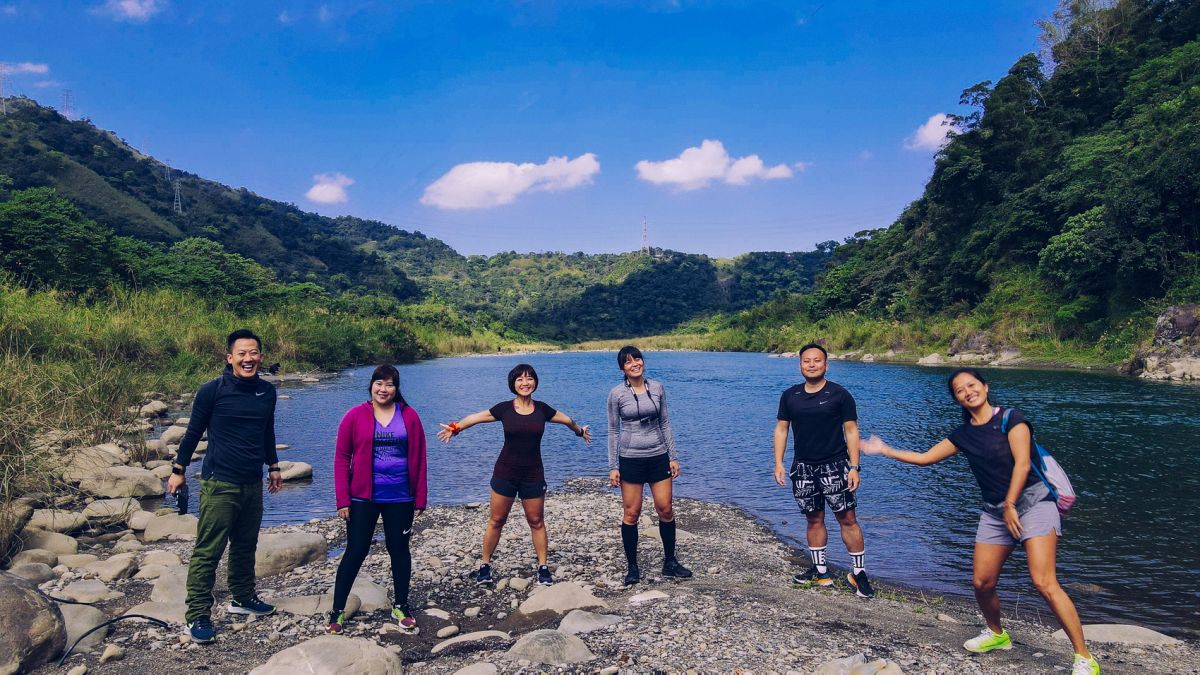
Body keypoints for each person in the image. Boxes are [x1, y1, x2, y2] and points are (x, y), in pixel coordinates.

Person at [862, 368, 1100, 675]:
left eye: (971, 385)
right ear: (957, 399)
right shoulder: (963, 435)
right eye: (960, 390)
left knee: (1044, 581)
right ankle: (997, 634)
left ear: (985, 387)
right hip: (995, 511)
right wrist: (884, 450)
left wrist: (1011, 504)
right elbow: (925, 458)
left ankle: (1084, 657)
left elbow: (1022, 464)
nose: (967, 392)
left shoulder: (1012, 419)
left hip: (1034, 503)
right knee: (982, 582)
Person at [167, 329, 282, 644]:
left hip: (252, 482)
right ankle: (197, 614)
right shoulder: (212, 391)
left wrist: (273, 466)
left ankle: (243, 597)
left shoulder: (266, 392)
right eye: (242, 353)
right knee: (209, 551)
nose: (248, 359)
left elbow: (267, 431)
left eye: (253, 353)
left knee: (245, 545)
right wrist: (178, 470)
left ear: (261, 357)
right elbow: (193, 432)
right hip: (219, 483)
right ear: (230, 357)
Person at [437, 363, 591, 586]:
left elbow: (568, 421)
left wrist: (580, 432)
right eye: (520, 379)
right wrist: (455, 427)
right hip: (505, 473)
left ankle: (543, 567)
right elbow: (476, 417)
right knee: (496, 520)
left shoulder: (543, 409)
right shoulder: (504, 409)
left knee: (536, 521)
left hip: (533, 474)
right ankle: (485, 566)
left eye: (529, 378)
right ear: (513, 384)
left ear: (535, 382)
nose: (525, 383)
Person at [327, 364, 428, 635]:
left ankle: (401, 606)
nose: (383, 389)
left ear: (396, 388)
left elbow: (419, 457)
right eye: (379, 383)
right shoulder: (354, 415)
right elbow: (341, 458)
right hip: (362, 498)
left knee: (399, 549)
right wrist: (342, 499)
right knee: (356, 551)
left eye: (389, 384)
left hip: (400, 496)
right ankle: (337, 611)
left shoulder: (409, 416)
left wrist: (420, 497)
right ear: (371, 385)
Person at [773, 343, 874, 598]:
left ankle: (858, 574)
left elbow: (851, 431)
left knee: (847, 518)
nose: (812, 364)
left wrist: (854, 467)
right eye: (807, 360)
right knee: (813, 518)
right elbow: (782, 429)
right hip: (803, 467)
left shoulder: (839, 395)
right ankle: (821, 573)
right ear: (800, 365)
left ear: (826, 364)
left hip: (836, 465)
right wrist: (778, 462)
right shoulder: (790, 395)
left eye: (817, 360)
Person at [607, 345, 691, 585]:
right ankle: (632, 567)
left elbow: (665, 423)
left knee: (665, 509)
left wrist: (673, 456)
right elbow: (613, 430)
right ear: (622, 369)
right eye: (628, 362)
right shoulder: (616, 394)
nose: (635, 364)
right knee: (631, 513)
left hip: (658, 455)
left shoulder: (657, 388)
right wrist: (613, 466)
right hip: (630, 458)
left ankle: (670, 562)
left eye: (638, 359)